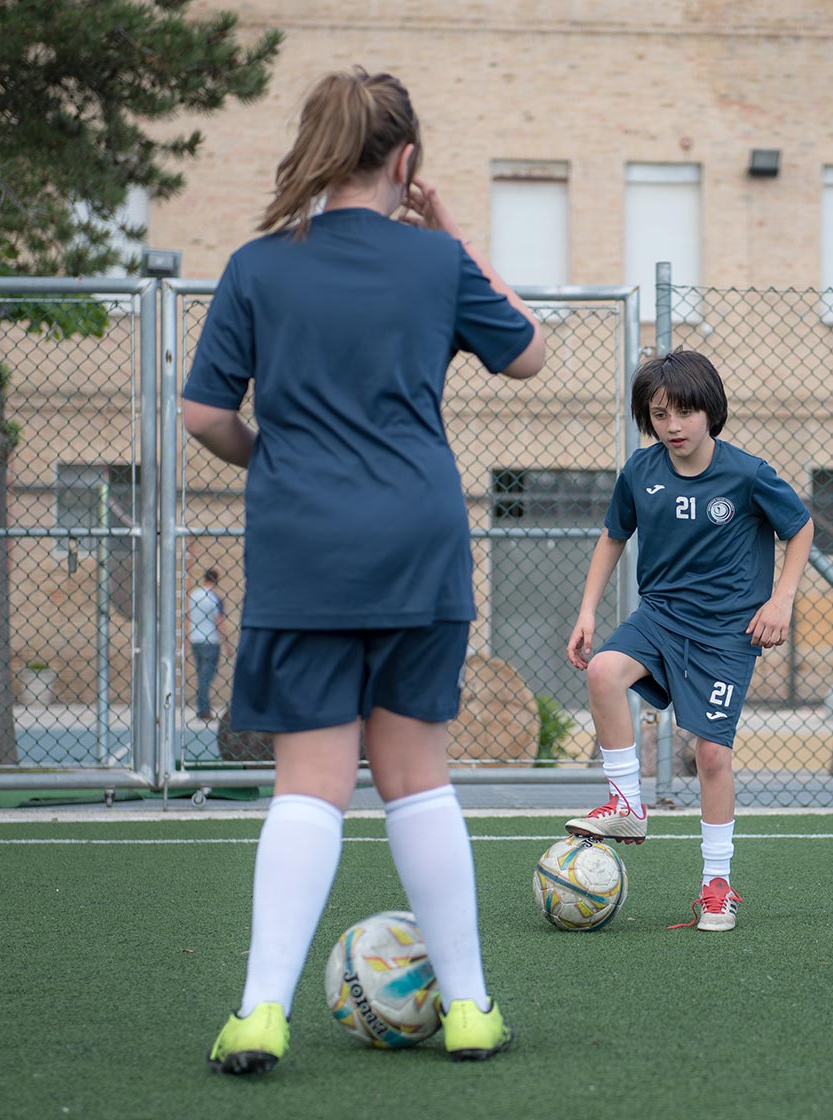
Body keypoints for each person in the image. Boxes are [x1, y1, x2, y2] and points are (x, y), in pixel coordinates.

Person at [181, 67, 546, 1075]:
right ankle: (470, 1007)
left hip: (304, 549)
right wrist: (454, 229)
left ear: (316, 147)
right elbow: (529, 354)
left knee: (308, 786)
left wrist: (279, 459)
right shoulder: (436, 264)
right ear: (406, 159)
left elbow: (206, 416)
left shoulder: (258, 266)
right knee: (418, 781)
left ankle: (259, 1012)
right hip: (418, 544)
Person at [564, 350, 814, 932]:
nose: (673, 426)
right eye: (659, 414)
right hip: (661, 615)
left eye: (684, 412)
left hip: (726, 630)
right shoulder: (639, 472)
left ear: (710, 411)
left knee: (710, 753)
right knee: (602, 671)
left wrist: (781, 600)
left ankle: (716, 886)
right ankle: (627, 805)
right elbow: (611, 537)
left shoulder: (748, 474)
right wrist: (586, 610)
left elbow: (799, 529)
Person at [187, 569, 226, 721]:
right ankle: (203, 709)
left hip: (195, 640)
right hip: (211, 641)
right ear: (216, 580)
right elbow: (219, 621)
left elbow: (188, 617)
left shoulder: (194, 595)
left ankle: (202, 707)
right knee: (207, 676)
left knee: (201, 675)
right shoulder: (214, 598)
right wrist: (227, 643)